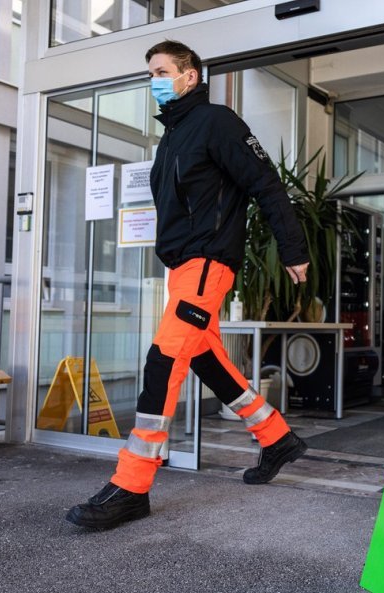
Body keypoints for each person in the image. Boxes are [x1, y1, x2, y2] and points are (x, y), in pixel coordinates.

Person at [67, 40, 310, 529]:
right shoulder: (173, 136)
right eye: (150, 73)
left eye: (161, 71)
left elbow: (266, 183)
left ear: (189, 76)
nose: (153, 79)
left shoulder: (217, 123)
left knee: (163, 362)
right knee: (206, 359)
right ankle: (276, 437)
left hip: (207, 262)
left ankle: (132, 485)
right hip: (182, 269)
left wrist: (294, 249)